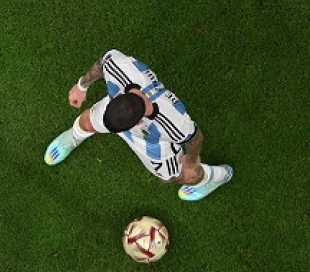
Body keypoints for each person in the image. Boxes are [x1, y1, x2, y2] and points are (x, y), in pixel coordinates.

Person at [44, 49, 233, 201]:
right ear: (120, 95)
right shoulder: (121, 68)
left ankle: (217, 176)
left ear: (139, 122)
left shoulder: (174, 122)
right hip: (121, 111)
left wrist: (191, 159)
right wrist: (81, 86)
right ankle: (73, 138)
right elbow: (103, 62)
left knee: (174, 175)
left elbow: (195, 138)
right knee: (88, 121)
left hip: (154, 143)